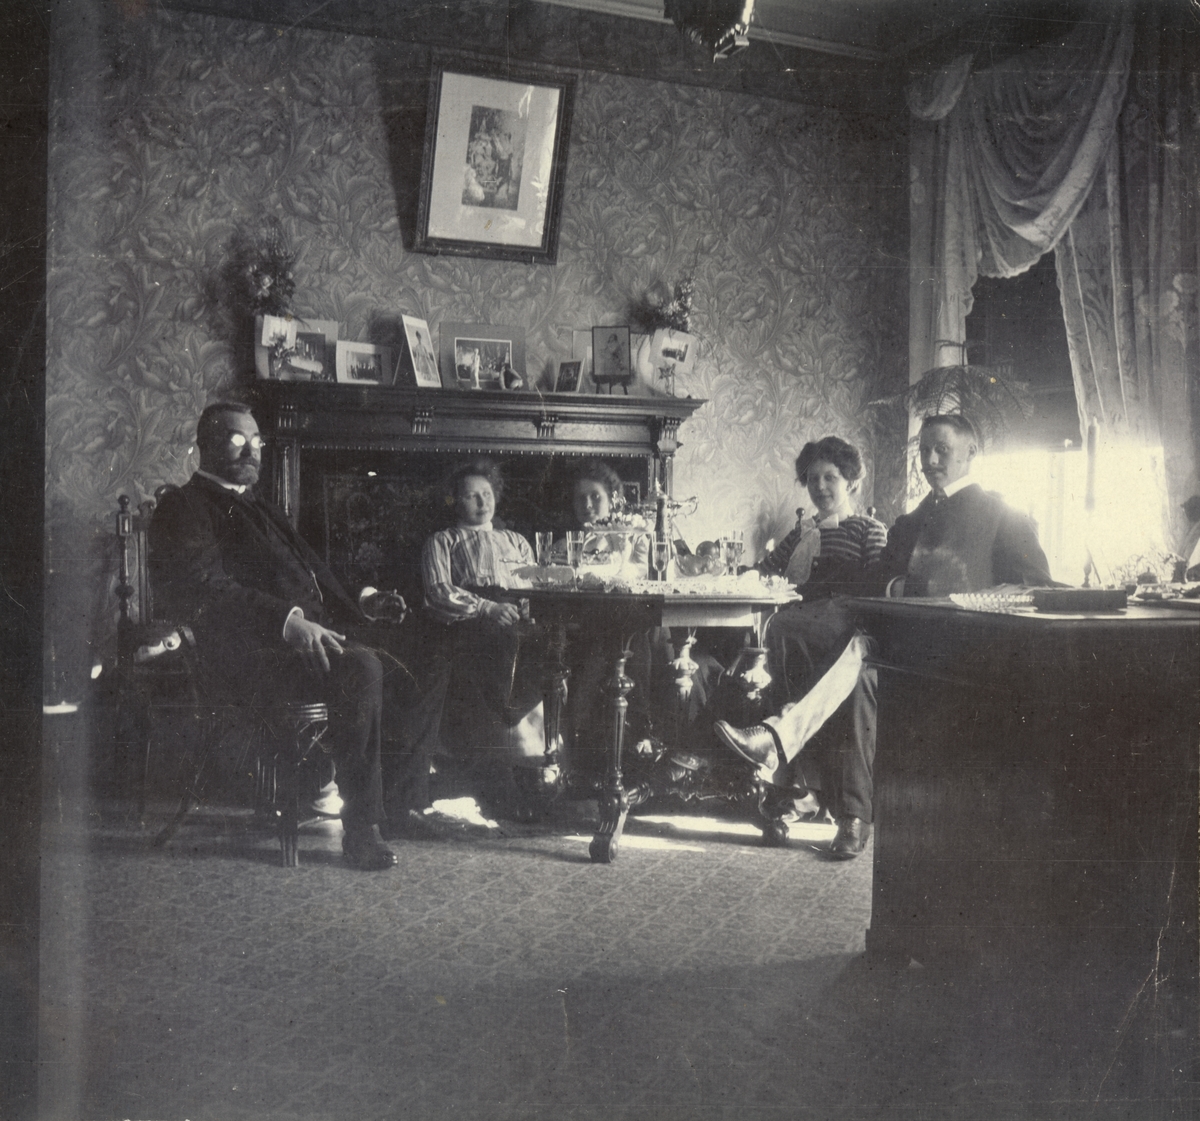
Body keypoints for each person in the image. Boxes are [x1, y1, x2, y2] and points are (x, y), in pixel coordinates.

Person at [715, 415, 1054, 858]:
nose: (930, 460)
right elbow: (878, 580)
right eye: (924, 450)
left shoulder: (1003, 516)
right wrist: (903, 589)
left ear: (971, 452)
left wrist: (965, 597)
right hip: (904, 646)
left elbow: (1036, 586)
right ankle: (845, 812)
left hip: (966, 653)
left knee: (858, 660)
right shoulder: (910, 522)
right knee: (829, 648)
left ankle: (784, 752)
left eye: (942, 450)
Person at [148, 402, 431, 871]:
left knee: (423, 648)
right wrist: (289, 621)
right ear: (204, 445)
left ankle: (403, 803)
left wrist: (364, 601)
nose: (251, 451)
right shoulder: (184, 507)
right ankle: (363, 827)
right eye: (236, 440)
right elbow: (204, 590)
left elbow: (313, 571)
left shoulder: (259, 503)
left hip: (300, 647)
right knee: (362, 667)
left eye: (256, 441)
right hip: (246, 659)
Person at [716, 436, 886, 858]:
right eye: (812, 479)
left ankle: (792, 770)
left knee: (788, 633)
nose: (820, 487)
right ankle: (800, 789)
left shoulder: (869, 530)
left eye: (831, 478)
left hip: (843, 633)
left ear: (851, 482)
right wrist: (729, 572)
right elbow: (763, 573)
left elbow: (876, 592)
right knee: (772, 634)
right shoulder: (802, 532)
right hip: (796, 643)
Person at [419, 458, 551, 810]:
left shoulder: (515, 540)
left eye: (487, 494)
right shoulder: (443, 540)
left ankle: (537, 768)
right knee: (494, 654)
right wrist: (487, 608)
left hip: (517, 617)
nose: (482, 502)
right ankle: (497, 779)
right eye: (471, 496)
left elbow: (535, 584)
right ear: (455, 501)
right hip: (469, 621)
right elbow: (438, 591)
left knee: (550, 649)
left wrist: (527, 608)